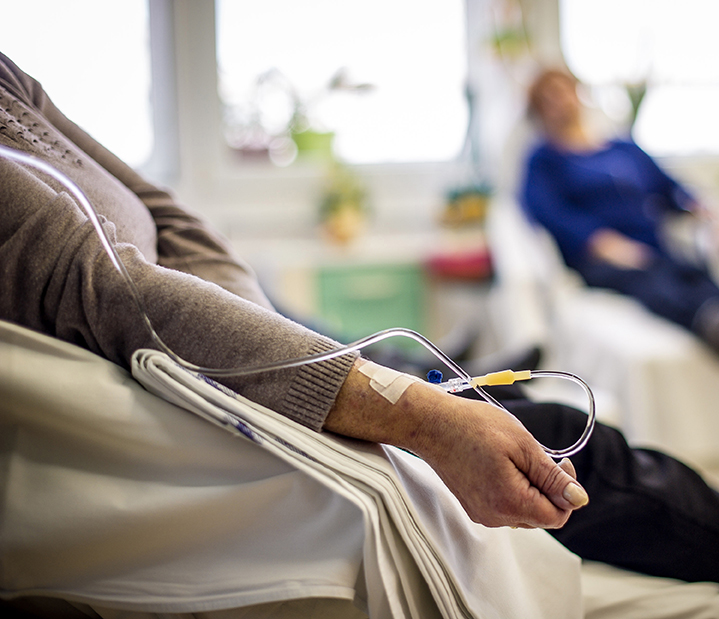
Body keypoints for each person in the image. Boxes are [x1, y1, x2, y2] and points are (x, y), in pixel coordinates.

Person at [0, 51, 717, 617]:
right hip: (200, 397)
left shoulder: (11, 79)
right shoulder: (544, 163)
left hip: (221, 340)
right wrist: (425, 417)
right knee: (565, 434)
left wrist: (259, 323)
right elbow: (115, 290)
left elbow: (169, 213)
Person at [521, 68, 719, 351]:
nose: (560, 102)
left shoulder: (623, 148)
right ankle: (706, 322)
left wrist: (699, 207)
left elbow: (668, 187)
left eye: (563, 91)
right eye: (547, 99)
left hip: (653, 246)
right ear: (539, 111)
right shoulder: (543, 160)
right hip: (602, 259)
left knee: (692, 273)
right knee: (651, 280)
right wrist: (599, 241)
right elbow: (547, 211)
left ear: (579, 94)